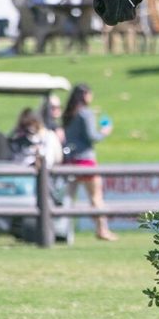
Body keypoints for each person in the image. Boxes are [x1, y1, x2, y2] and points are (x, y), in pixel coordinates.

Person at [62, 83, 116, 241]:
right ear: (85, 95)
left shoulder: (69, 114)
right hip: (86, 160)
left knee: (68, 198)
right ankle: (102, 230)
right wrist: (104, 132)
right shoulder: (86, 113)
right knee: (96, 197)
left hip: (71, 161)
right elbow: (92, 137)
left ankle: (63, 231)